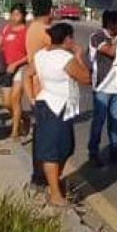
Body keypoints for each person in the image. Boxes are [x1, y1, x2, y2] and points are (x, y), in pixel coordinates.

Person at [33, 23, 90, 206]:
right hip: (54, 106)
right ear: (67, 39)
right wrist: (79, 56)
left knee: (66, 147)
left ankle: (53, 184)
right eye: (71, 38)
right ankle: (55, 194)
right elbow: (86, 78)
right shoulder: (65, 58)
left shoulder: (41, 54)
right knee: (53, 151)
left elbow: (29, 73)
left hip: (51, 104)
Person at [88, 10, 117, 167]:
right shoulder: (97, 36)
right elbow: (111, 51)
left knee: (115, 121)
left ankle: (115, 149)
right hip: (102, 86)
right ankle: (93, 152)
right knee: (99, 121)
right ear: (111, 23)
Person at [24, 0, 53, 188]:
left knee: (40, 134)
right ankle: (41, 176)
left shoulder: (32, 28)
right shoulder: (46, 31)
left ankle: (39, 175)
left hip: (36, 85)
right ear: (50, 10)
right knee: (48, 137)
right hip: (45, 88)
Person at [0, 5, 29, 139]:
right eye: (13, 14)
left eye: (17, 14)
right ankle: (23, 117)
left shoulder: (27, 31)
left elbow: (30, 54)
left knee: (15, 99)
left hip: (21, 67)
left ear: (23, 16)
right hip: (5, 68)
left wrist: (16, 64)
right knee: (6, 103)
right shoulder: (6, 29)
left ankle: (15, 132)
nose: (14, 17)